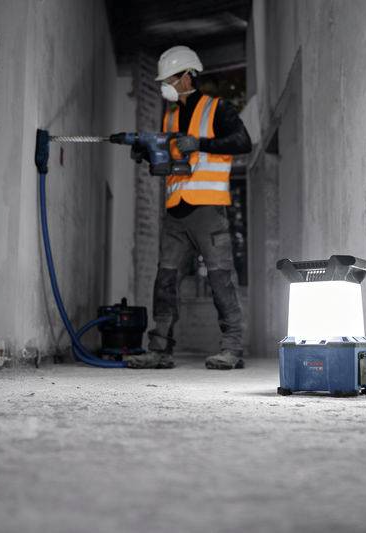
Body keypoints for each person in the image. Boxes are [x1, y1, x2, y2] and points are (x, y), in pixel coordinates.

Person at [125, 45, 252, 370]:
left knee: (221, 279)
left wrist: (201, 144)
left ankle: (232, 349)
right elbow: (171, 160)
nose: (164, 84)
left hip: (209, 211)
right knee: (165, 281)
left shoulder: (216, 109)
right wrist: (149, 154)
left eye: (169, 78)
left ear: (186, 77)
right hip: (176, 213)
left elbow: (242, 142)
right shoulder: (169, 116)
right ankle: (159, 350)